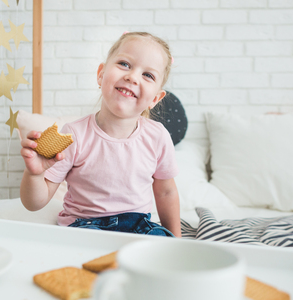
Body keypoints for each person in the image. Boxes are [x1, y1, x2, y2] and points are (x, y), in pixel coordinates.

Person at [20, 32, 181, 237]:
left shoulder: (157, 136)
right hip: (85, 226)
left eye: (148, 75)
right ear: (101, 74)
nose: (132, 77)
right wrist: (34, 174)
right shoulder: (74, 135)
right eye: (124, 64)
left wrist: (176, 241)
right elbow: (33, 204)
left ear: (155, 99)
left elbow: (166, 192)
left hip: (139, 226)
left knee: (161, 250)